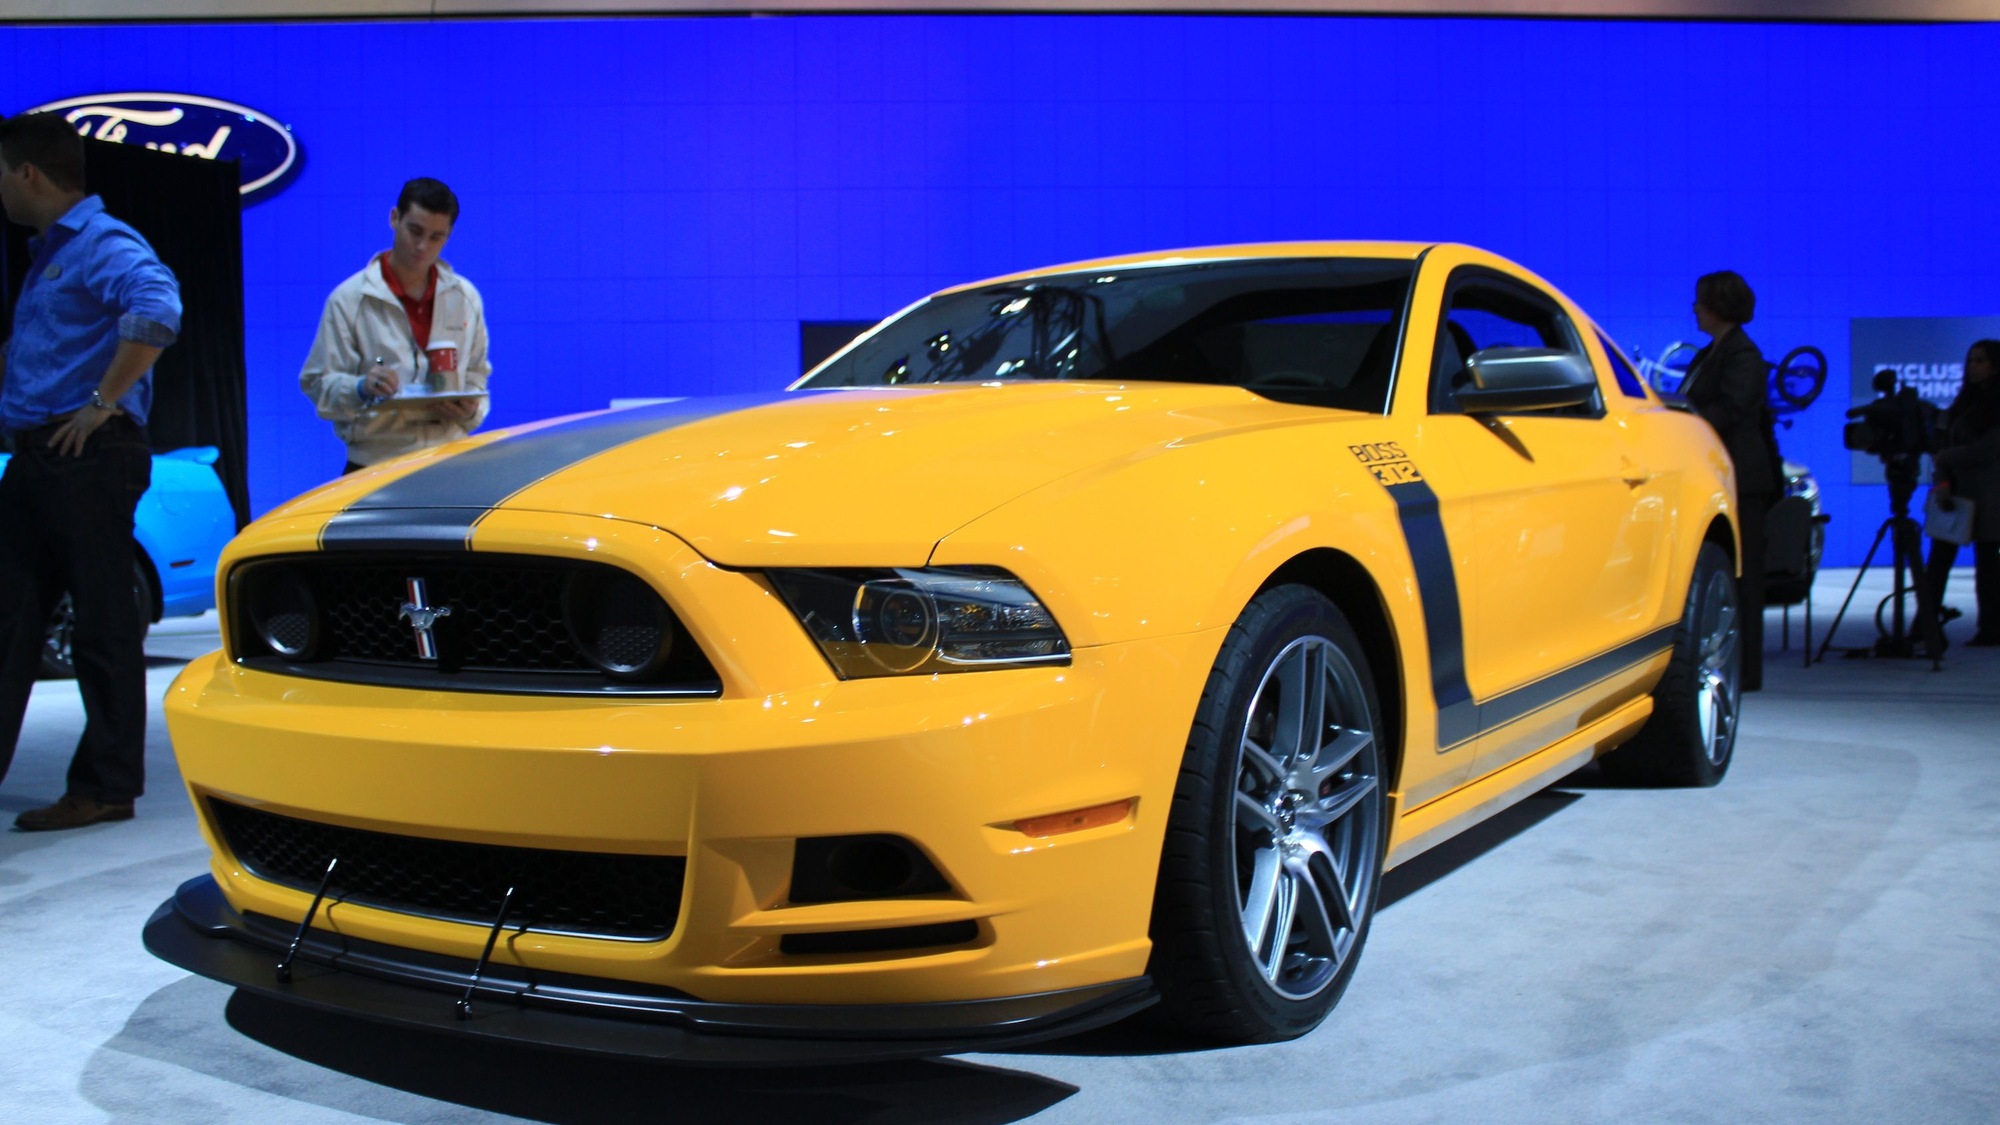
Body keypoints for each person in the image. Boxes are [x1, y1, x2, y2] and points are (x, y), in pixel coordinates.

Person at [0, 112, 181, 829]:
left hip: (88, 456)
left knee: (103, 624)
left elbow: (158, 306)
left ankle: (107, 784)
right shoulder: (51, 251)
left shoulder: (102, 241)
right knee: (10, 617)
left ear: (28, 174)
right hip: (43, 455)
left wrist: (101, 403)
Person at [300, 177, 491, 473]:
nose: (422, 246)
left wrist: (469, 411)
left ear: (449, 236)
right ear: (394, 218)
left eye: (436, 237)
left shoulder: (465, 298)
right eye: (415, 231)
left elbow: (478, 375)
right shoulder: (349, 299)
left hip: (449, 460)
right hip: (374, 464)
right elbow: (317, 385)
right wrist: (361, 387)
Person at [1684, 270, 1783, 692]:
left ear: (1718, 306)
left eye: (1700, 301)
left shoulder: (1743, 354)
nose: (1694, 309)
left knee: (1745, 579)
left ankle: (1747, 673)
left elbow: (1731, 409)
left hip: (1742, 479)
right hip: (1715, 475)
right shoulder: (1709, 353)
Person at [1923, 339, 2000, 646]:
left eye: (1980, 361)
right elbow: (1944, 443)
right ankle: (1925, 624)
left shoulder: (1996, 404)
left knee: (1989, 565)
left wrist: (1944, 459)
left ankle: (1992, 626)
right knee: (1939, 559)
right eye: (1970, 360)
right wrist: (1942, 477)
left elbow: (1987, 449)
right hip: (1953, 495)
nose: (1973, 367)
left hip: (1989, 495)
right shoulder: (1963, 401)